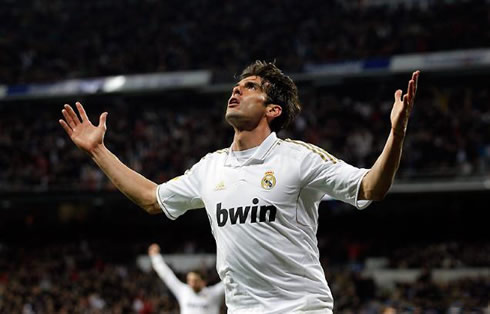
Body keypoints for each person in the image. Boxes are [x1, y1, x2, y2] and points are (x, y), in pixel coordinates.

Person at [59, 61, 419, 313]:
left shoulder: (298, 159)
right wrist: (98, 151)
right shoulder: (210, 167)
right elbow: (152, 199)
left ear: (272, 110)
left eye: (250, 87)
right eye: (236, 85)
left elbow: (371, 187)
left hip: (299, 309)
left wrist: (396, 134)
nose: (236, 90)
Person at [148, 243, 224, 314]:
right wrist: (155, 257)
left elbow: (228, 281)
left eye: (195, 280)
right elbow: (167, 275)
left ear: (203, 281)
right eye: (189, 280)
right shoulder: (183, 291)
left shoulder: (214, 293)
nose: (192, 283)